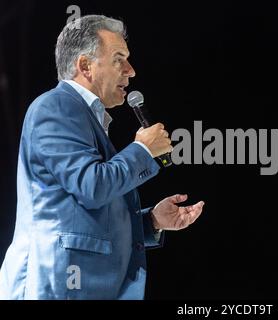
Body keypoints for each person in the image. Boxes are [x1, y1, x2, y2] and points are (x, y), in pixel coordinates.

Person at [0, 15, 204, 300]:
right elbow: (92, 186)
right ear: (85, 66)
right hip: (56, 285)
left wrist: (151, 222)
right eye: (119, 59)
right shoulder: (56, 107)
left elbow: (83, 209)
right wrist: (143, 150)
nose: (131, 71)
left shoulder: (85, 117)